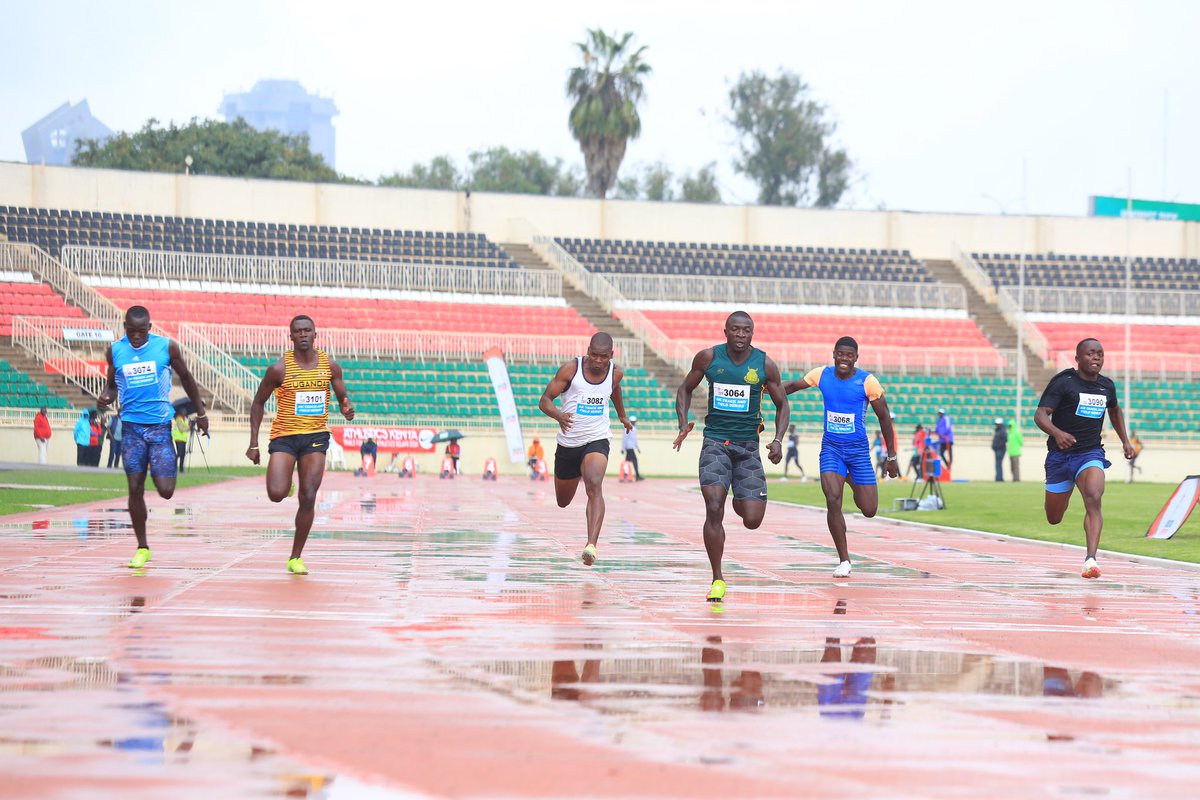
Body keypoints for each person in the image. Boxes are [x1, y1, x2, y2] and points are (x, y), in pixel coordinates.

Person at [674, 311, 789, 602]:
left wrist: (777, 440)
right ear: (725, 331)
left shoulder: (764, 364)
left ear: (752, 333)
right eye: (735, 330)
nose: (740, 335)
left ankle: (741, 494)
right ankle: (717, 578)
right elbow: (685, 389)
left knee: (752, 519)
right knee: (714, 506)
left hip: (748, 446)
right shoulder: (709, 358)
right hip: (715, 442)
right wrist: (682, 422)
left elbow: (782, 405)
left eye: (746, 331)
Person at [96, 306, 209, 569]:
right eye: (130, 331)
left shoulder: (166, 348)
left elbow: (187, 378)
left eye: (141, 332)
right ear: (124, 327)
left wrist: (201, 412)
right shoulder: (115, 351)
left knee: (166, 491)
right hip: (132, 428)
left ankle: (160, 471)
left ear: (150, 327)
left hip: (159, 427)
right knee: (134, 487)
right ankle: (142, 547)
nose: (136, 337)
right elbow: (112, 385)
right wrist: (106, 397)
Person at [247, 315, 354, 575]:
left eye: (308, 330)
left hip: (315, 436)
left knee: (308, 497)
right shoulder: (278, 369)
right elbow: (258, 402)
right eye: (298, 331)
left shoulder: (329, 365)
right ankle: (287, 484)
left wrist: (346, 406)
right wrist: (253, 443)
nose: (303, 334)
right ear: (291, 336)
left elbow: (342, 395)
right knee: (275, 493)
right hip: (285, 437)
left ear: (315, 335)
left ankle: (295, 557)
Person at [783, 336, 898, 578]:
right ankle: (844, 559)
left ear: (856, 358)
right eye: (840, 354)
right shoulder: (821, 374)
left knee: (869, 509)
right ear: (833, 354)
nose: (844, 359)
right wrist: (761, 391)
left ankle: (849, 478)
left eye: (849, 355)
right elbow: (791, 387)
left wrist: (892, 456)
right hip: (831, 449)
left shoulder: (868, 382)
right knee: (832, 499)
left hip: (858, 453)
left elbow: (885, 418)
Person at [1034, 338, 1135, 579]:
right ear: (1078, 358)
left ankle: (1091, 559)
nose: (1097, 358)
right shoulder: (1063, 382)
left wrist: (1125, 440)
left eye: (1100, 354)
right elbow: (1040, 415)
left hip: (1090, 453)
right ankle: (1064, 494)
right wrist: (1057, 434)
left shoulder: (1106, 386)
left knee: (1094, 496)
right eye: (1091, 354)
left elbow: (1114, 410)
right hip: (1059, 458)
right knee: (1054, 518)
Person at [539, 332, 631, 566]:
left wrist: (622, 416)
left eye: (603, 357)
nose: (598, 361)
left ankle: (591, 545)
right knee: (563, 501)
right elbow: (544, 400)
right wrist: (559, 415)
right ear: (588, 351)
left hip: (597, 439)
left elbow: (614, 388)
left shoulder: (615, 373)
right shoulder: (571, 370)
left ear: (611, 355)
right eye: (594, 355)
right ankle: (578, 469)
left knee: (594, 482)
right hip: (569, 443)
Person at [622, 414, 643, 480]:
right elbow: (624, 439)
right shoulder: (627, 428)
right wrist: (623, 448)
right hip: (629, 447)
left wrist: (638, 448)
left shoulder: (634, 429)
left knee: (627, 461)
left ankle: (625, 475)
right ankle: (637, 476)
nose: (635, 422)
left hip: (631, 447)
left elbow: (635, 440)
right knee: (634, 460)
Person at [991, 417, 1008, 482]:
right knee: (998, 464)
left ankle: (999, 478)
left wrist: (998, 446)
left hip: (1000, 449)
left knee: (998, 464)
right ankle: (998, 477)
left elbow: (1004, 440)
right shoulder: (998, 430)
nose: (996, 425)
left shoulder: (1002, 431)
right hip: (998, 449)